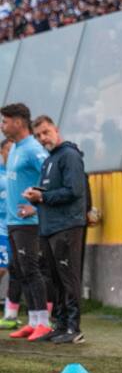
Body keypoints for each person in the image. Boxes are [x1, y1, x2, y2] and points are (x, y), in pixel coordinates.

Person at [22, 116, 88, 343]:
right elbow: (52, 192)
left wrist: (43, 196)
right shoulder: (49, 160)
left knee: (68, 277)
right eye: (38, 135)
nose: (43, 138)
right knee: (56, 279)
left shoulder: (69, 155)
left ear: (56, 130)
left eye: (46, 132)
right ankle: (60, 325)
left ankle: (73, 328)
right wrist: (35, 199)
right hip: (50, 227)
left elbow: (75, 190)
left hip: (67, 226)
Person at [1, 103, 50, 341]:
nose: (2, 126)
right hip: (12, 222)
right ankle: (33, 321)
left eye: (5, 121)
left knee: (31, 270)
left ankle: (44, 322)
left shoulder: (32, 148)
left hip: (28, 223)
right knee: (20, 270)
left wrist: (36, 204)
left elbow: (51, 176)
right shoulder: (16, 148)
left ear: (18, 122)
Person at [0, 139, 18, 330]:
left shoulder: (16, 174)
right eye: (8, 150)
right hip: (1, 231)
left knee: (16, 270)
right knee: (2, 268)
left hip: (17, 228)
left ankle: (10, 314)